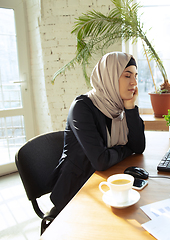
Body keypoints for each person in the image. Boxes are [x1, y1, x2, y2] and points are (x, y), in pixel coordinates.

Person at [49, 52, 146, 214]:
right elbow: (101, 160)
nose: (134, 82)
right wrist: (126, 148)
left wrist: (130, 107)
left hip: (103, 182)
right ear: (110, 76)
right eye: (127, 76)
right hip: (77, 190)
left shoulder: (118, 108)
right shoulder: (82, 107)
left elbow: (139, 146)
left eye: (135, 76)